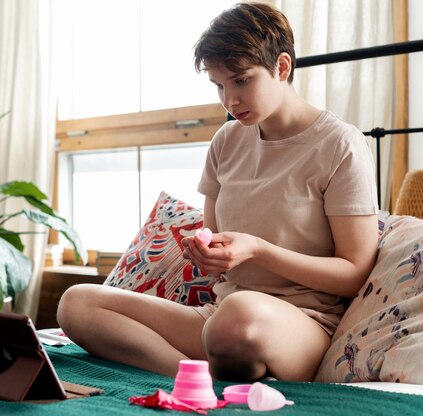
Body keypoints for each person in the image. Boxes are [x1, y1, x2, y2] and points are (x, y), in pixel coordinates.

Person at [57, 2, 379, 382]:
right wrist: (207, 254)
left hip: (297, 326)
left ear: (282, 67)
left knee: (236, 318)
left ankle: (211, 364)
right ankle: (193, 376)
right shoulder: (226, 140)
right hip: (219, 317)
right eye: (219, 86)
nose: (229, 100)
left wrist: (259, 249)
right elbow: (215, 242)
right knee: (76, 303)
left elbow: (354, 273)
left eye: (241, 81)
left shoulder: (340, 144)